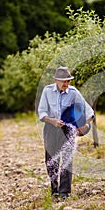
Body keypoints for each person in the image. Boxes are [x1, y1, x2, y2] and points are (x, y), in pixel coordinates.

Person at [38, 66, 94, 201]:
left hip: (67, 130)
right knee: (51, 160)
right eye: (64, 81)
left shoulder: (74, 93)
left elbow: (89, 111)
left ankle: (64, 192)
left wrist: (84, 125)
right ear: (56, 80)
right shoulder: (47, 91)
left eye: (68, 81)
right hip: (51, 128)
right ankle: (54, 189)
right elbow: (42, 112)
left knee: (67, 160)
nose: (66, 84)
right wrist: (52, 121)